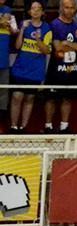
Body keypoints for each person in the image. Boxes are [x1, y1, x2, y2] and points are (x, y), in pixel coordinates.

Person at [44, 0, 77, 133]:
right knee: (51, 98)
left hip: (72, 70)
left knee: (67, 98)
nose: (69, 10)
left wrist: (67, 44)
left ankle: (64, 126)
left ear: (75, 9)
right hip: (56, 70)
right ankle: (48, 126)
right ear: (61, 8)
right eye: (66, 7)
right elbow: (58, 47)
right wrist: (75, 46)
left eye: (72, 8)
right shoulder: (54, 25)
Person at [9, 1, 51, 133]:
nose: (36, 11)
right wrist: (22, 29)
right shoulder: (24, 24)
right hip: (20, 68)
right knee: (17, 96)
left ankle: (23, 127)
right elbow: (17, 46)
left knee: (29, 98)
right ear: (29, 11)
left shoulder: (47, 28)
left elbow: (46, 51)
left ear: (43, 12)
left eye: (39, 9)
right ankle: (14, 126)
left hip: (36, 70)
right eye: (33, 8)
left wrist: (38, 39)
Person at [0, 0, 19, 129]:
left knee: (3, 92)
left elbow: (15, 31)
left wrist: (9, 25)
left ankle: (1, 122)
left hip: (4, 60)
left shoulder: (8, 11)